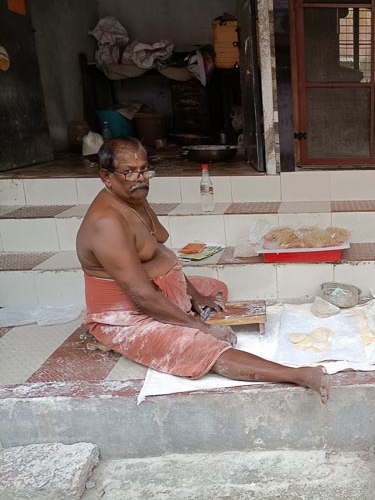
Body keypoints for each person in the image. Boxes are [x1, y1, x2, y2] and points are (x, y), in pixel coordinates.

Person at [76, 138, 330, 402]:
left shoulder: (134, 198)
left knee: (214, 290)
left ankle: (182, 316)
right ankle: (299, 374)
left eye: (144, 169)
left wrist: (196, 296)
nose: (140, 178)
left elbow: (161, 256)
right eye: (129, 172)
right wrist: (199, 328)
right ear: (106, 176)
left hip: (153, 292)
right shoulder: (106, 223)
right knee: (201, 348)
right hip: (127, 316)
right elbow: (141, 296)